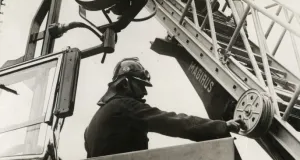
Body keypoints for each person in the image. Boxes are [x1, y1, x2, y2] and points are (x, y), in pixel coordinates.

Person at [84, 57, 246, 157]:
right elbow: (173, 122)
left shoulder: (93, 124)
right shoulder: (124, 106)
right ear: (125, 83)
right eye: (141, 85)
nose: (145, 92)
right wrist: (221, 126)